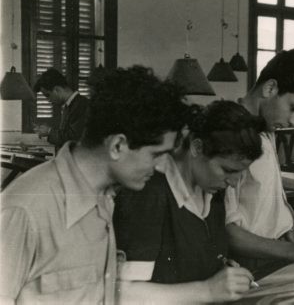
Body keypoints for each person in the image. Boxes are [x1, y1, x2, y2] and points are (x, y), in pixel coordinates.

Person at [0, 66, 189, 304]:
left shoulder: (105, 198)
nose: (162, 166)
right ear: (117, 146)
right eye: (156, 154)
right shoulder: (24, 210)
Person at [113, 100, 266, 304]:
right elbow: (122, 295)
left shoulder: (212, 190)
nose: (233, 182)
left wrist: (222, 272)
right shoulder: (148, 193)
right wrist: (208, 290)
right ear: (197, 147)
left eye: (241, 173)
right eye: (228, 170)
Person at [224, 49, 294, 271]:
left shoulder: (265, 129)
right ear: (270, 88)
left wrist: (292, 229)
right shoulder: (230, 134)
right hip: (249, 264)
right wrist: (293, 250)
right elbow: (226, 230)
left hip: (276, 253)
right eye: (293, 108)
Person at [34, 68, 90, 150]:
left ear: (57, 90)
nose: (48, 100)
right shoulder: (69, 106)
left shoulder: (81, 104)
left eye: (48, 95)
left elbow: (74, 139)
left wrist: (49, 131)